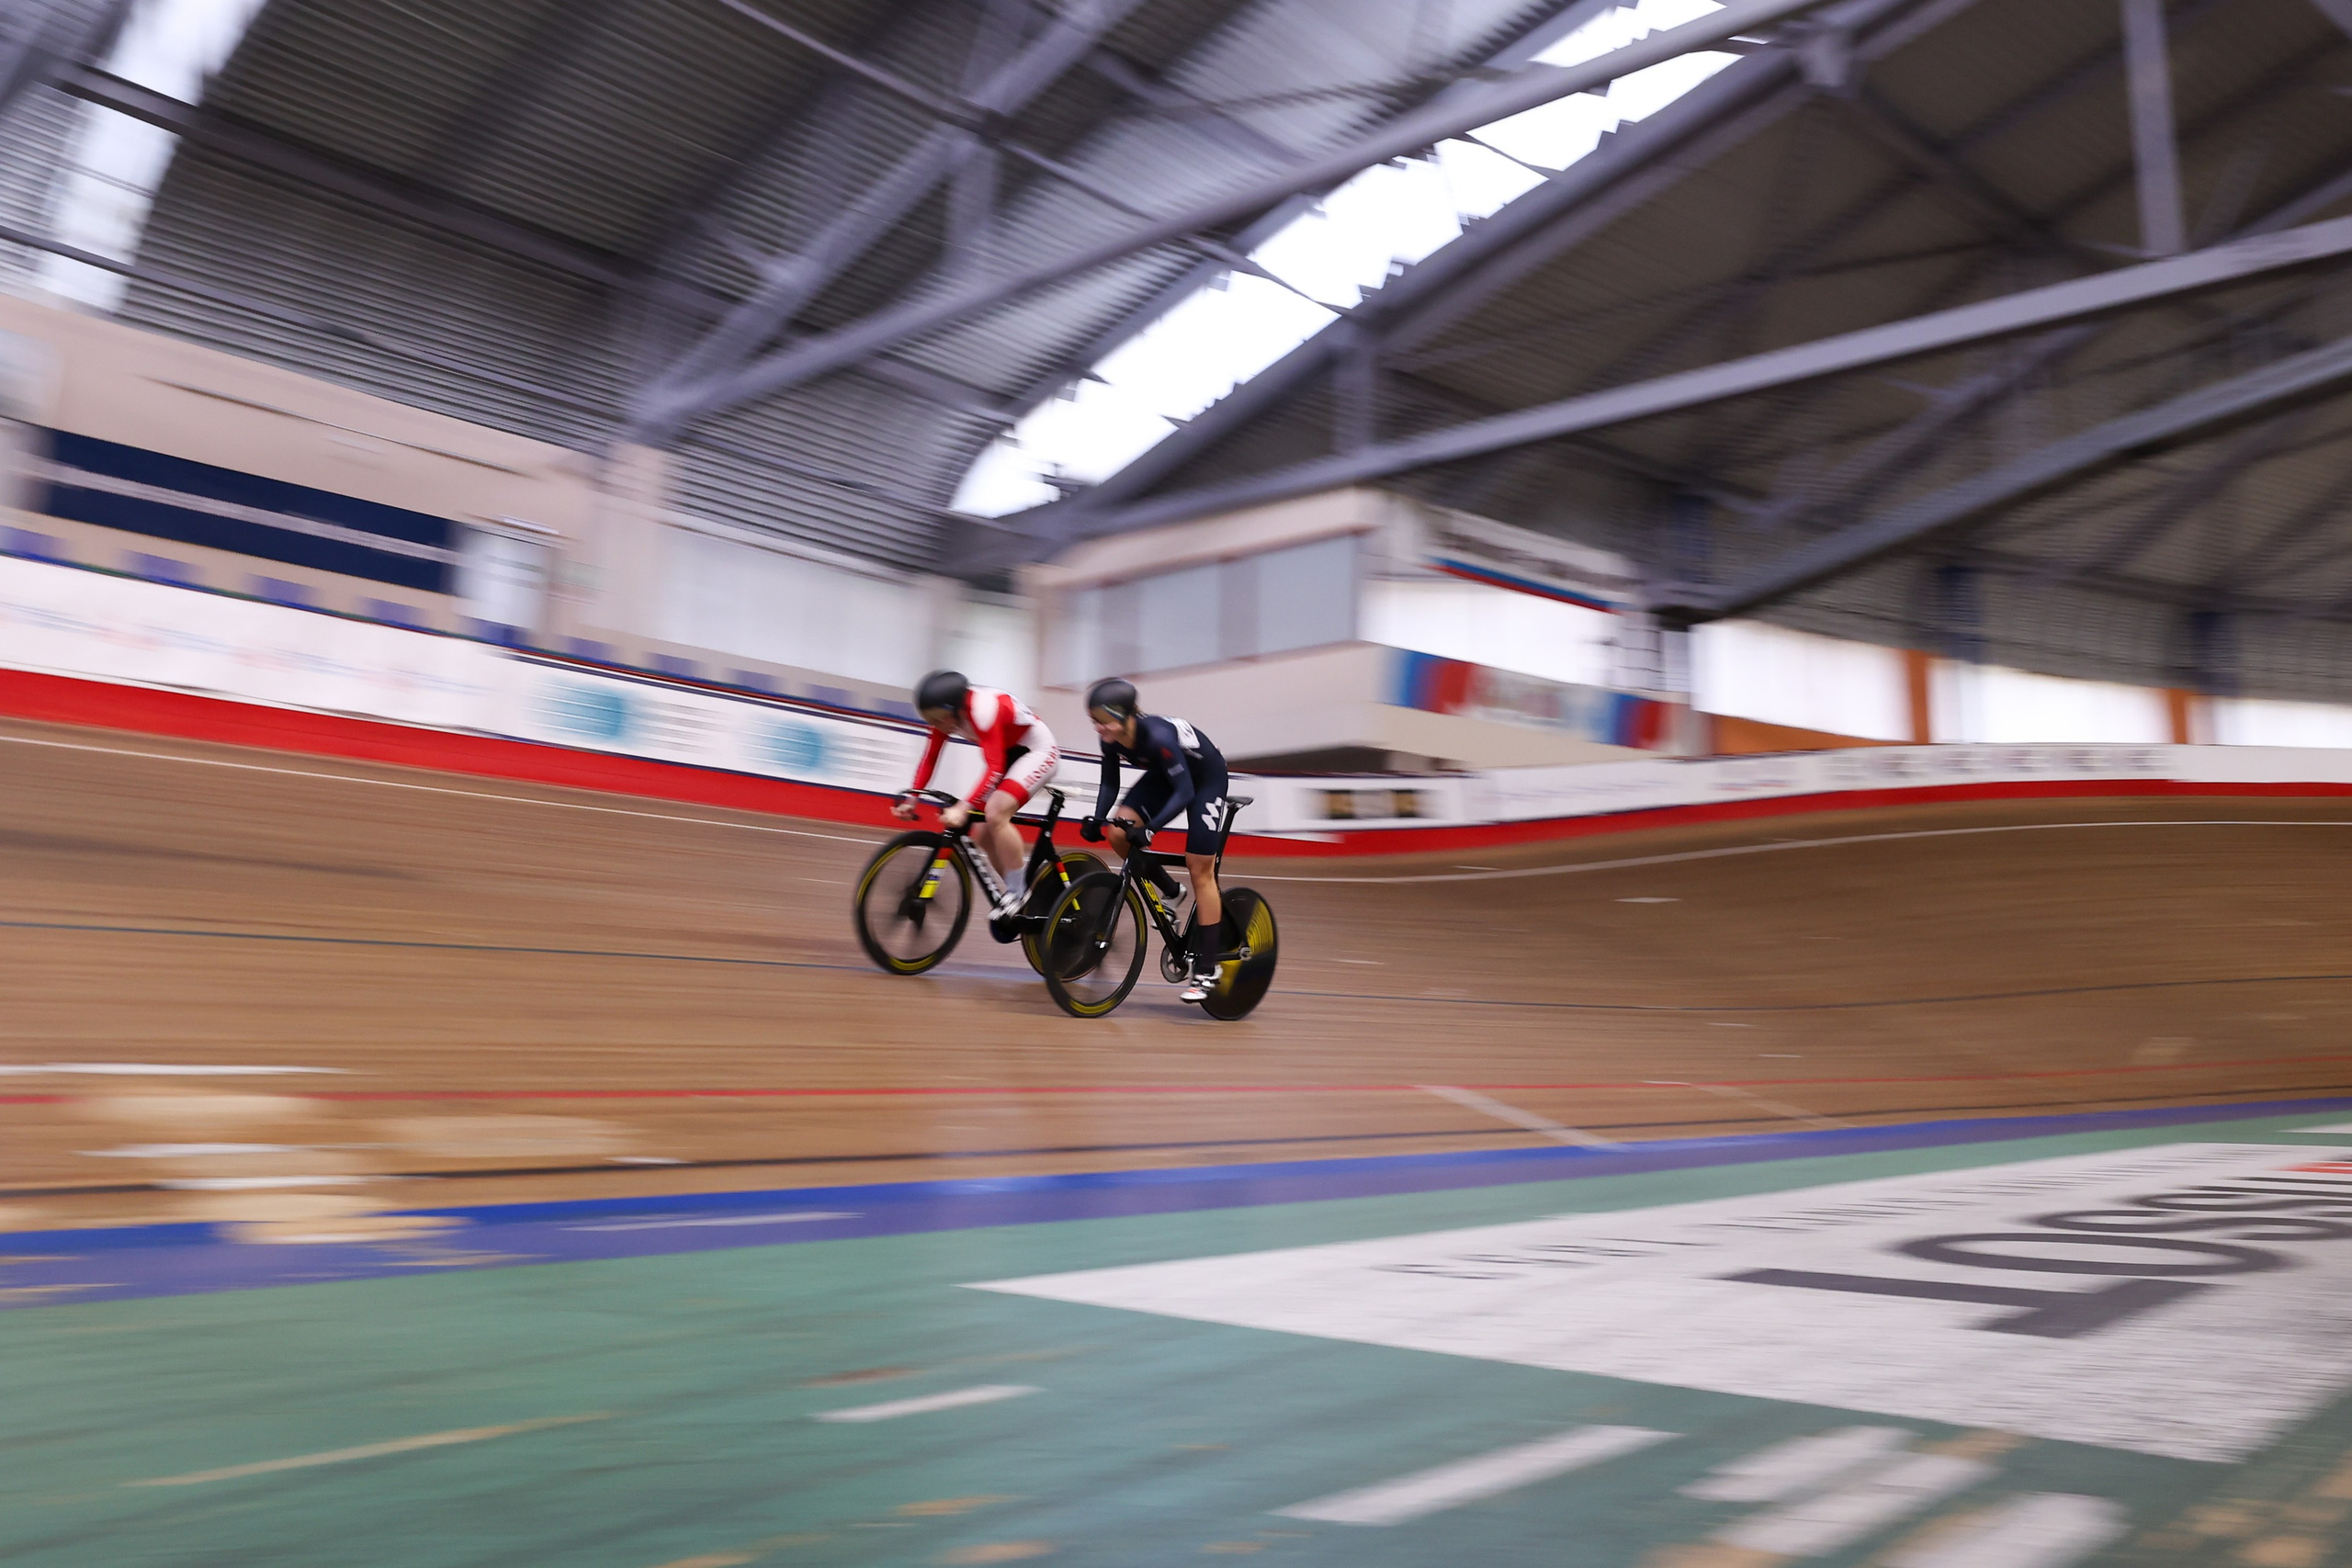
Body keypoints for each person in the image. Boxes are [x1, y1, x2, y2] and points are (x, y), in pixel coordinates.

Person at [1079, 676, 1230, 1003]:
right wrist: (1098, 816)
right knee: (1117, 833)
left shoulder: (1158, 736)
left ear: (1122, 716)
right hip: (1168, 777)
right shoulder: (1112, 738)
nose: (1098, 729)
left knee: (1200, 868)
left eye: (1101, 721)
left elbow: (1186, 791)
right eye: (1094, 721)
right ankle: (1171, 892)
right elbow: (1109, 783)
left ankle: (1207, 968)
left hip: (1205, 780)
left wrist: (1151, 828)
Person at [896, 670, 1058, 918]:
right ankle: (1025, 891)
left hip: (1037, 750)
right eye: (931, 719)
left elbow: (994, 767)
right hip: (1010, 754)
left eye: (938, 718)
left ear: (956, 708)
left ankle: (1018, 891)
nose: (936, 725)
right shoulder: (947, 717)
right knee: (981, 832)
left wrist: (963, 807)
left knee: (996, 814)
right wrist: (912, 798)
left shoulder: (983, 710)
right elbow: (930, 758)